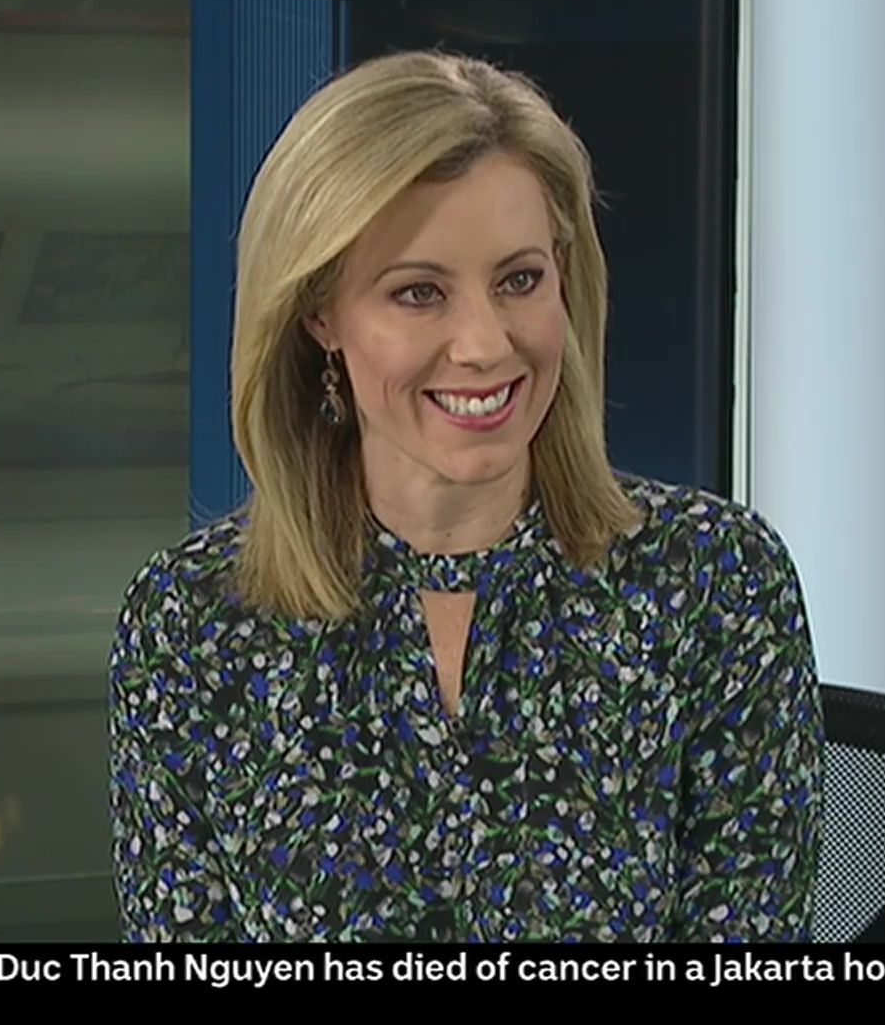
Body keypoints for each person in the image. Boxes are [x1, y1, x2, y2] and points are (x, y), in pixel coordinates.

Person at [107, 50, 824, 942]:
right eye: (419, 293)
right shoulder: (190, 625)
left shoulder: (716, 582)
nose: (483, 345)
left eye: (519, 280)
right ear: (320, 313)